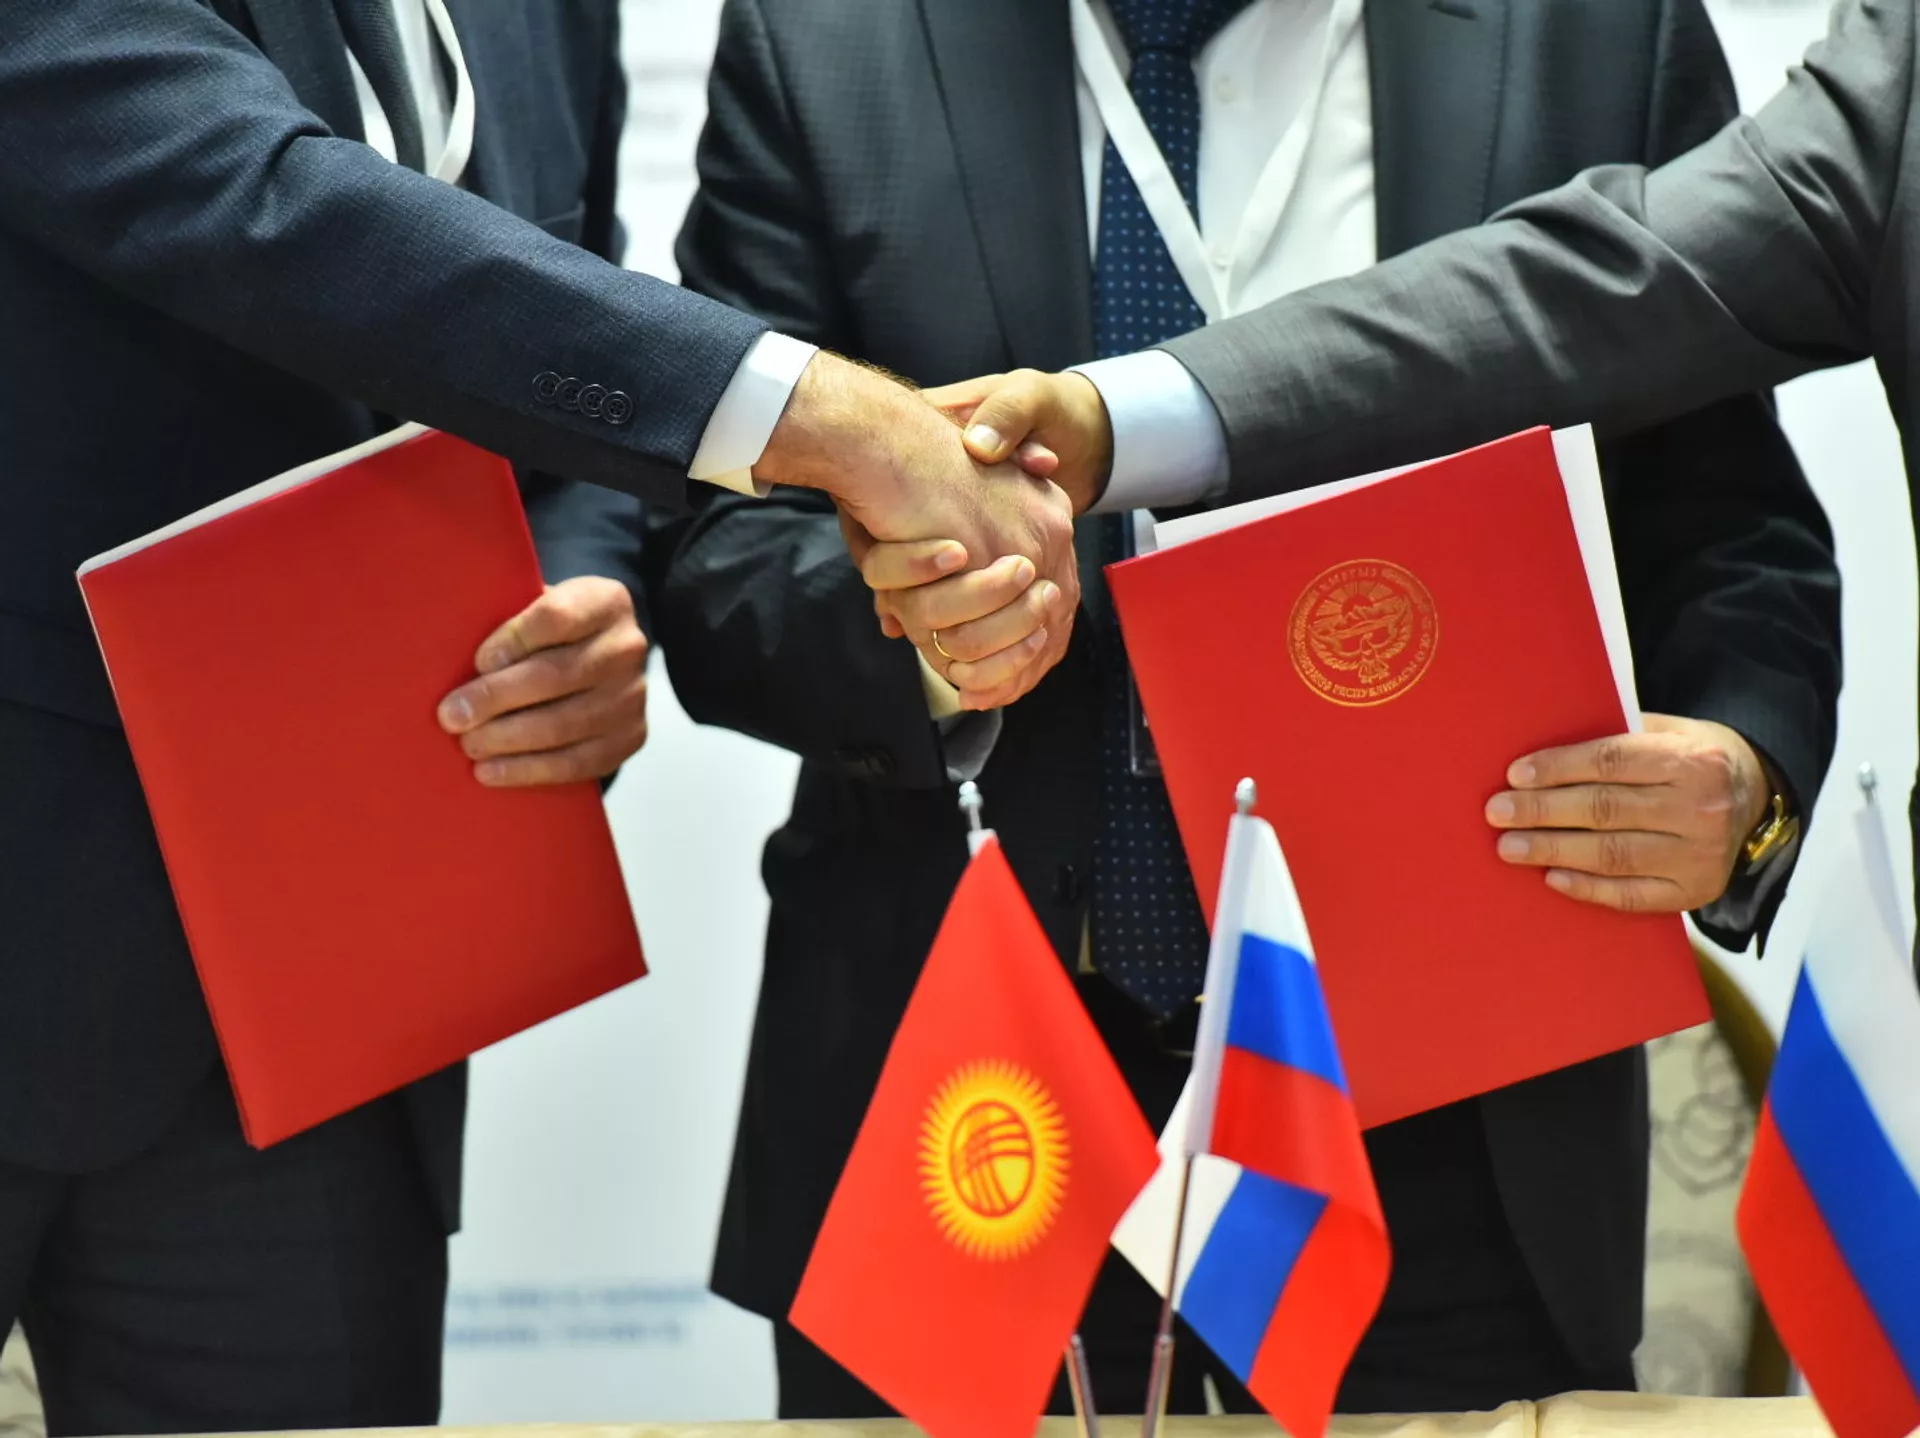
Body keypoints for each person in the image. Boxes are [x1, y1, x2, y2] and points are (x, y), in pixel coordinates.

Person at [634, 0, 1842, 1418]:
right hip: (976, 1109)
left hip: (1451, 1124)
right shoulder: (832, 38)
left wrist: (1744, 775)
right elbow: (713, 547)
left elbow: (1731, 524)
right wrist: (932, 633)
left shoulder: (1590, 30)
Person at [0, 4, 1078, 1433]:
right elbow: (267, 205)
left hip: (318, 988)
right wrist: (825, 416)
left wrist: (573, 585)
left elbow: (539, 337)